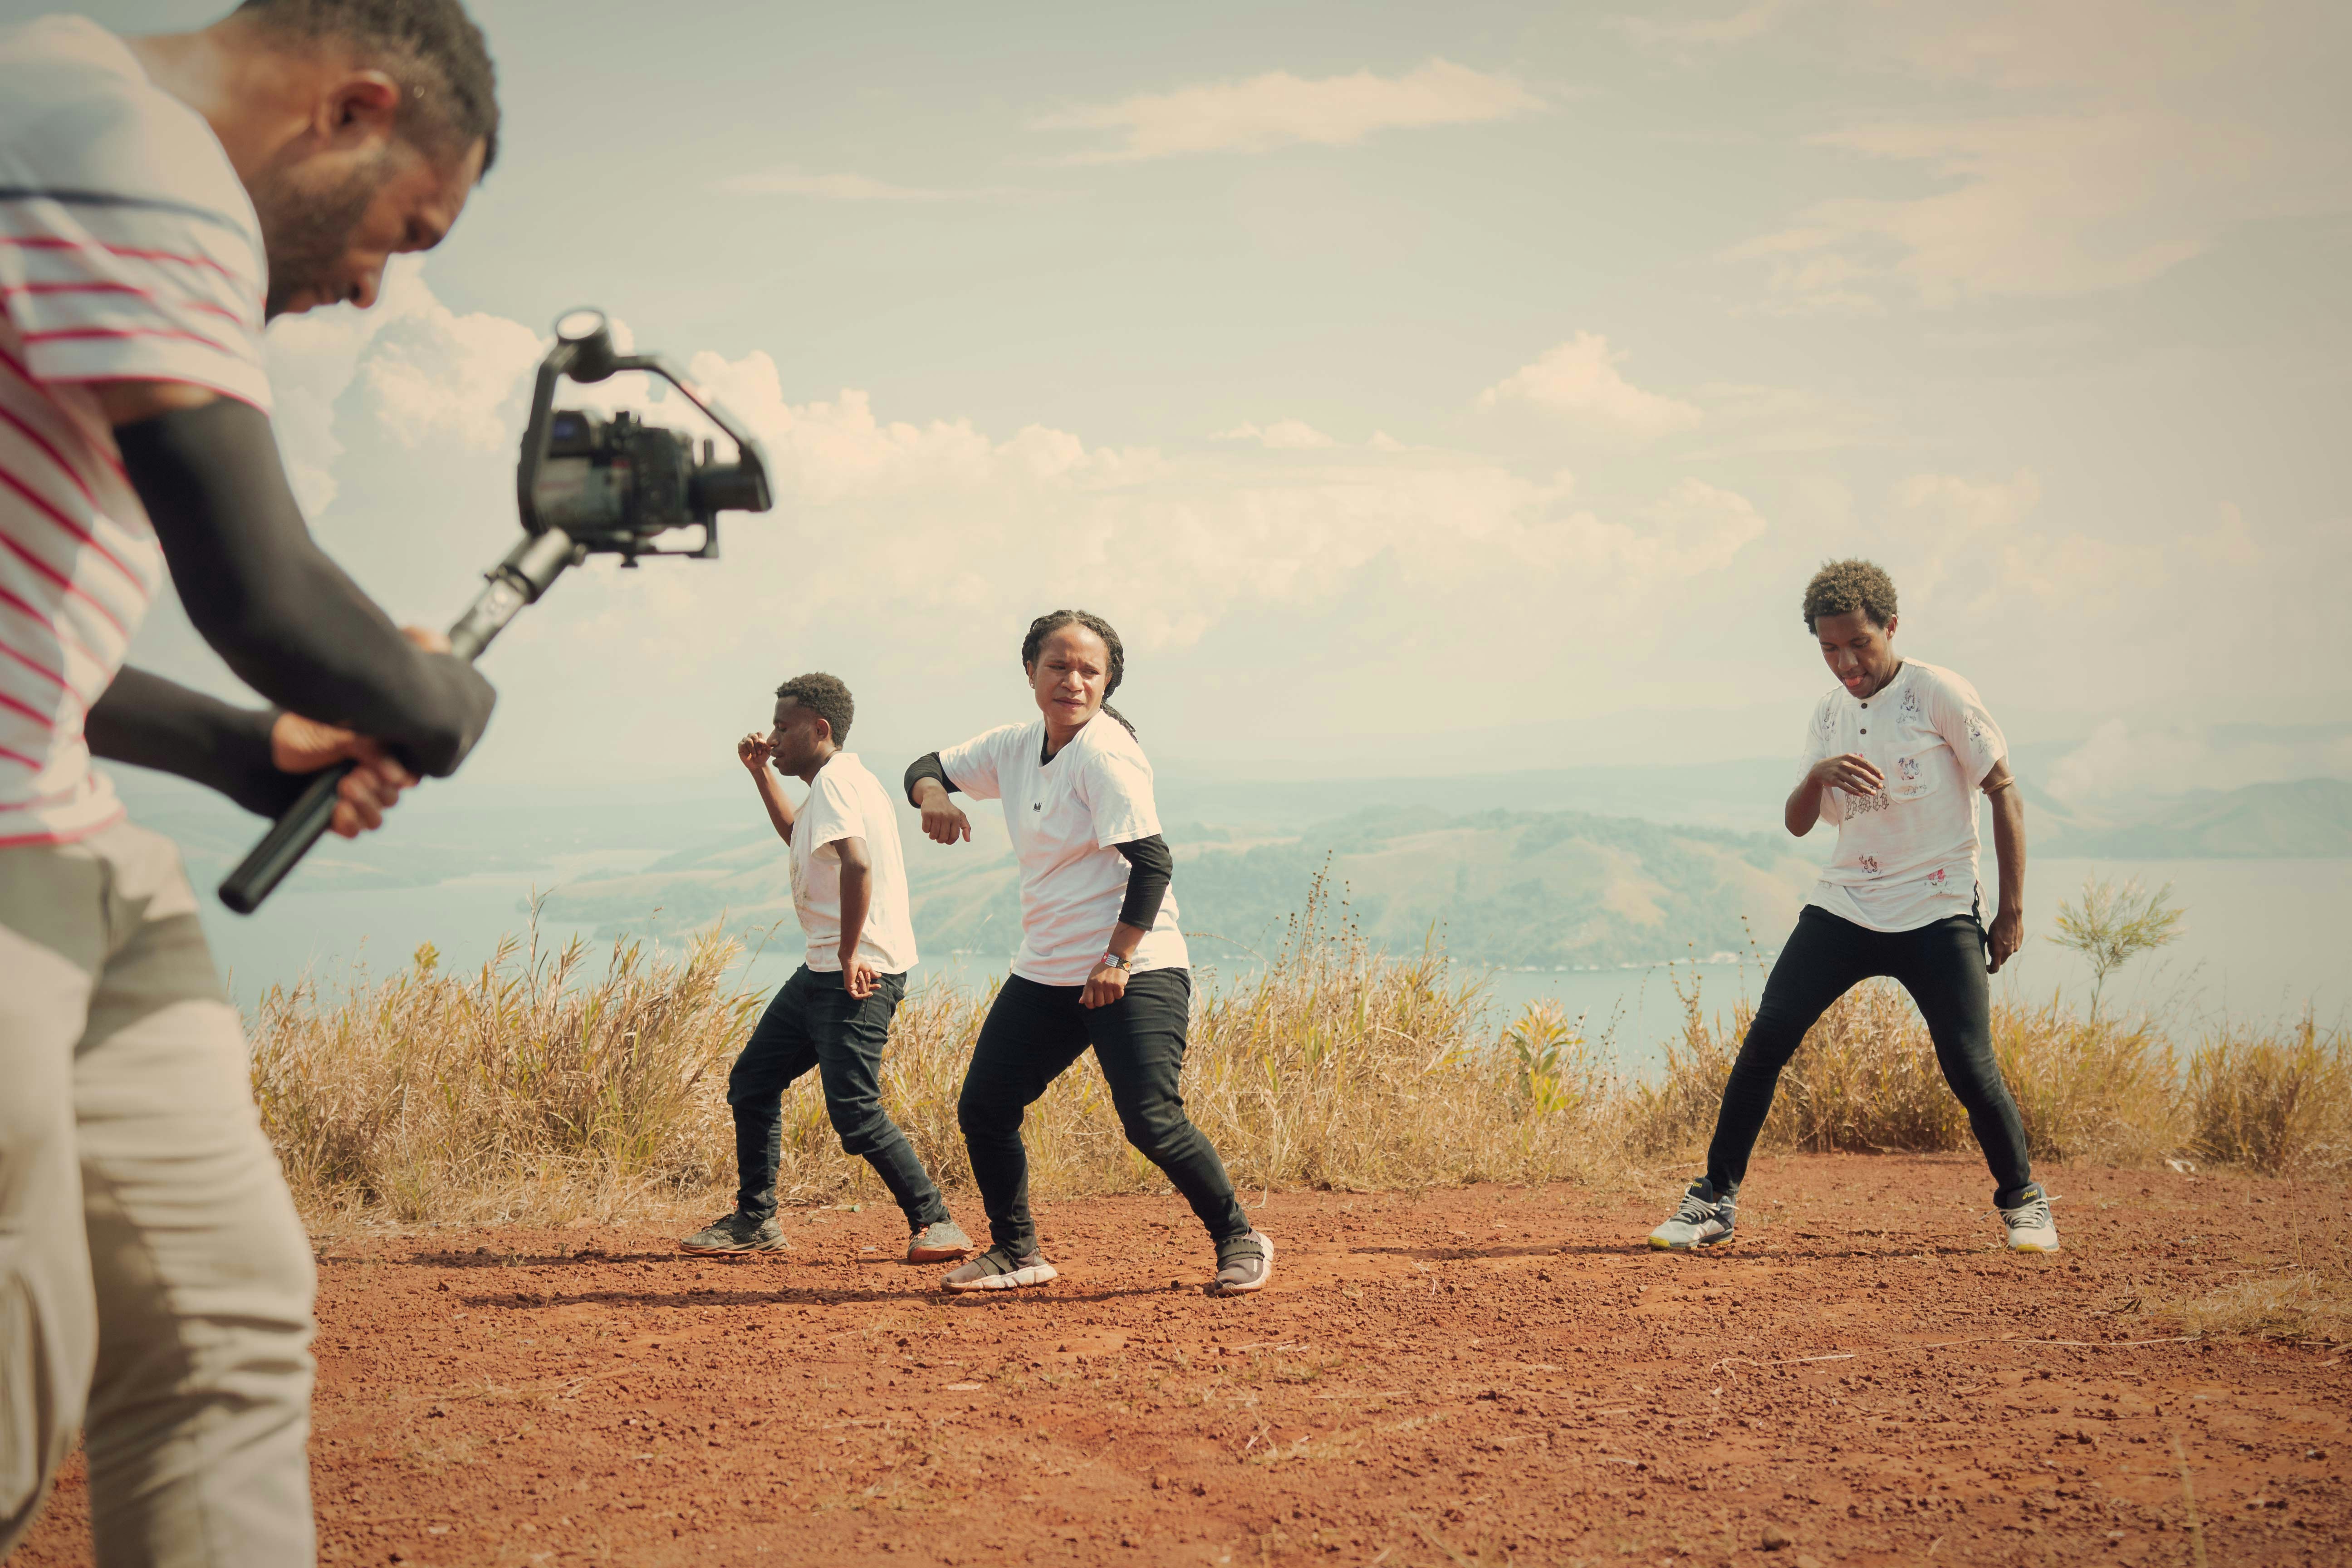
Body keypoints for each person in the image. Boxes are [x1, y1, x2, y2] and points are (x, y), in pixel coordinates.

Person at [2, 2, 503, 1561]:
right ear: (352, 111)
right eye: (401, 233)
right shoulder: (126, 144)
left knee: (223, 1314)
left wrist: (241, 748)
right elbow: (264, 593)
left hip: (69, 841)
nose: (372, 285)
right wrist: (438, 698)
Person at [1646, 559, 2057, 1255]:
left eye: (1859, 644)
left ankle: (2024, 1202)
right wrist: (1818, 775)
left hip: (1937, 906)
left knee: (1968, 1063)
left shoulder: (1938, 694)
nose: (1846, 664)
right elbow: (1798, 824)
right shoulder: (1830, 714)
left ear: (1891, 627)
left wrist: (2011, 911)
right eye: (1829, 649)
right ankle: (1713, 1201)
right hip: (1846, 904)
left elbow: (2004, 791)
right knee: (1766, 1042)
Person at [904, 610, 1274, 1295]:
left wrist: (1117, 960)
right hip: (1048, 965)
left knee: (1151, 1120)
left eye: (1088, 671)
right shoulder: (1015, 746)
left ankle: (1239, 1237)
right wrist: (934, 797)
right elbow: (926, 767)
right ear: (1030, 671)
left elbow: (1153, 864)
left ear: (1108, 683)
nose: (1072, 681)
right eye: (1058, 666)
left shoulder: (1105, 755)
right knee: (986, 1106)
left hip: (1136, 963)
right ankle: (1017, 1252)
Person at [680, 674, 974, 1266]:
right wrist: (761, 774)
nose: (772, 738)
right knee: (754, 1081)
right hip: (826, 969)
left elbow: (857, 866)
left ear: (820, 729)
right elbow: (798, 835)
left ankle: (938, 1223)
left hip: (856, 971)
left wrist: (848, 953)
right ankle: (755, 1220)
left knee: (855, 1111)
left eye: (783, 728)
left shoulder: (838, 783)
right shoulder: (838, 783)